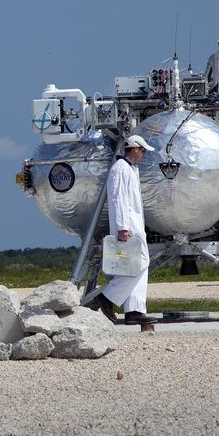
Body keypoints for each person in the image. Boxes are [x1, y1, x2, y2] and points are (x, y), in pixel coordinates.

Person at [86, 136, 155, 325]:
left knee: (136, 266)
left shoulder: (132, 169)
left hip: (135, 225)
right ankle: (106, 298)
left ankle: (135, 310)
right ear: (133, 148)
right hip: (128, 226)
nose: (143, 154)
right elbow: (118, 199)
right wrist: (123, 226)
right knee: (140, 263)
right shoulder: (120, 169)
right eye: (142, 150)